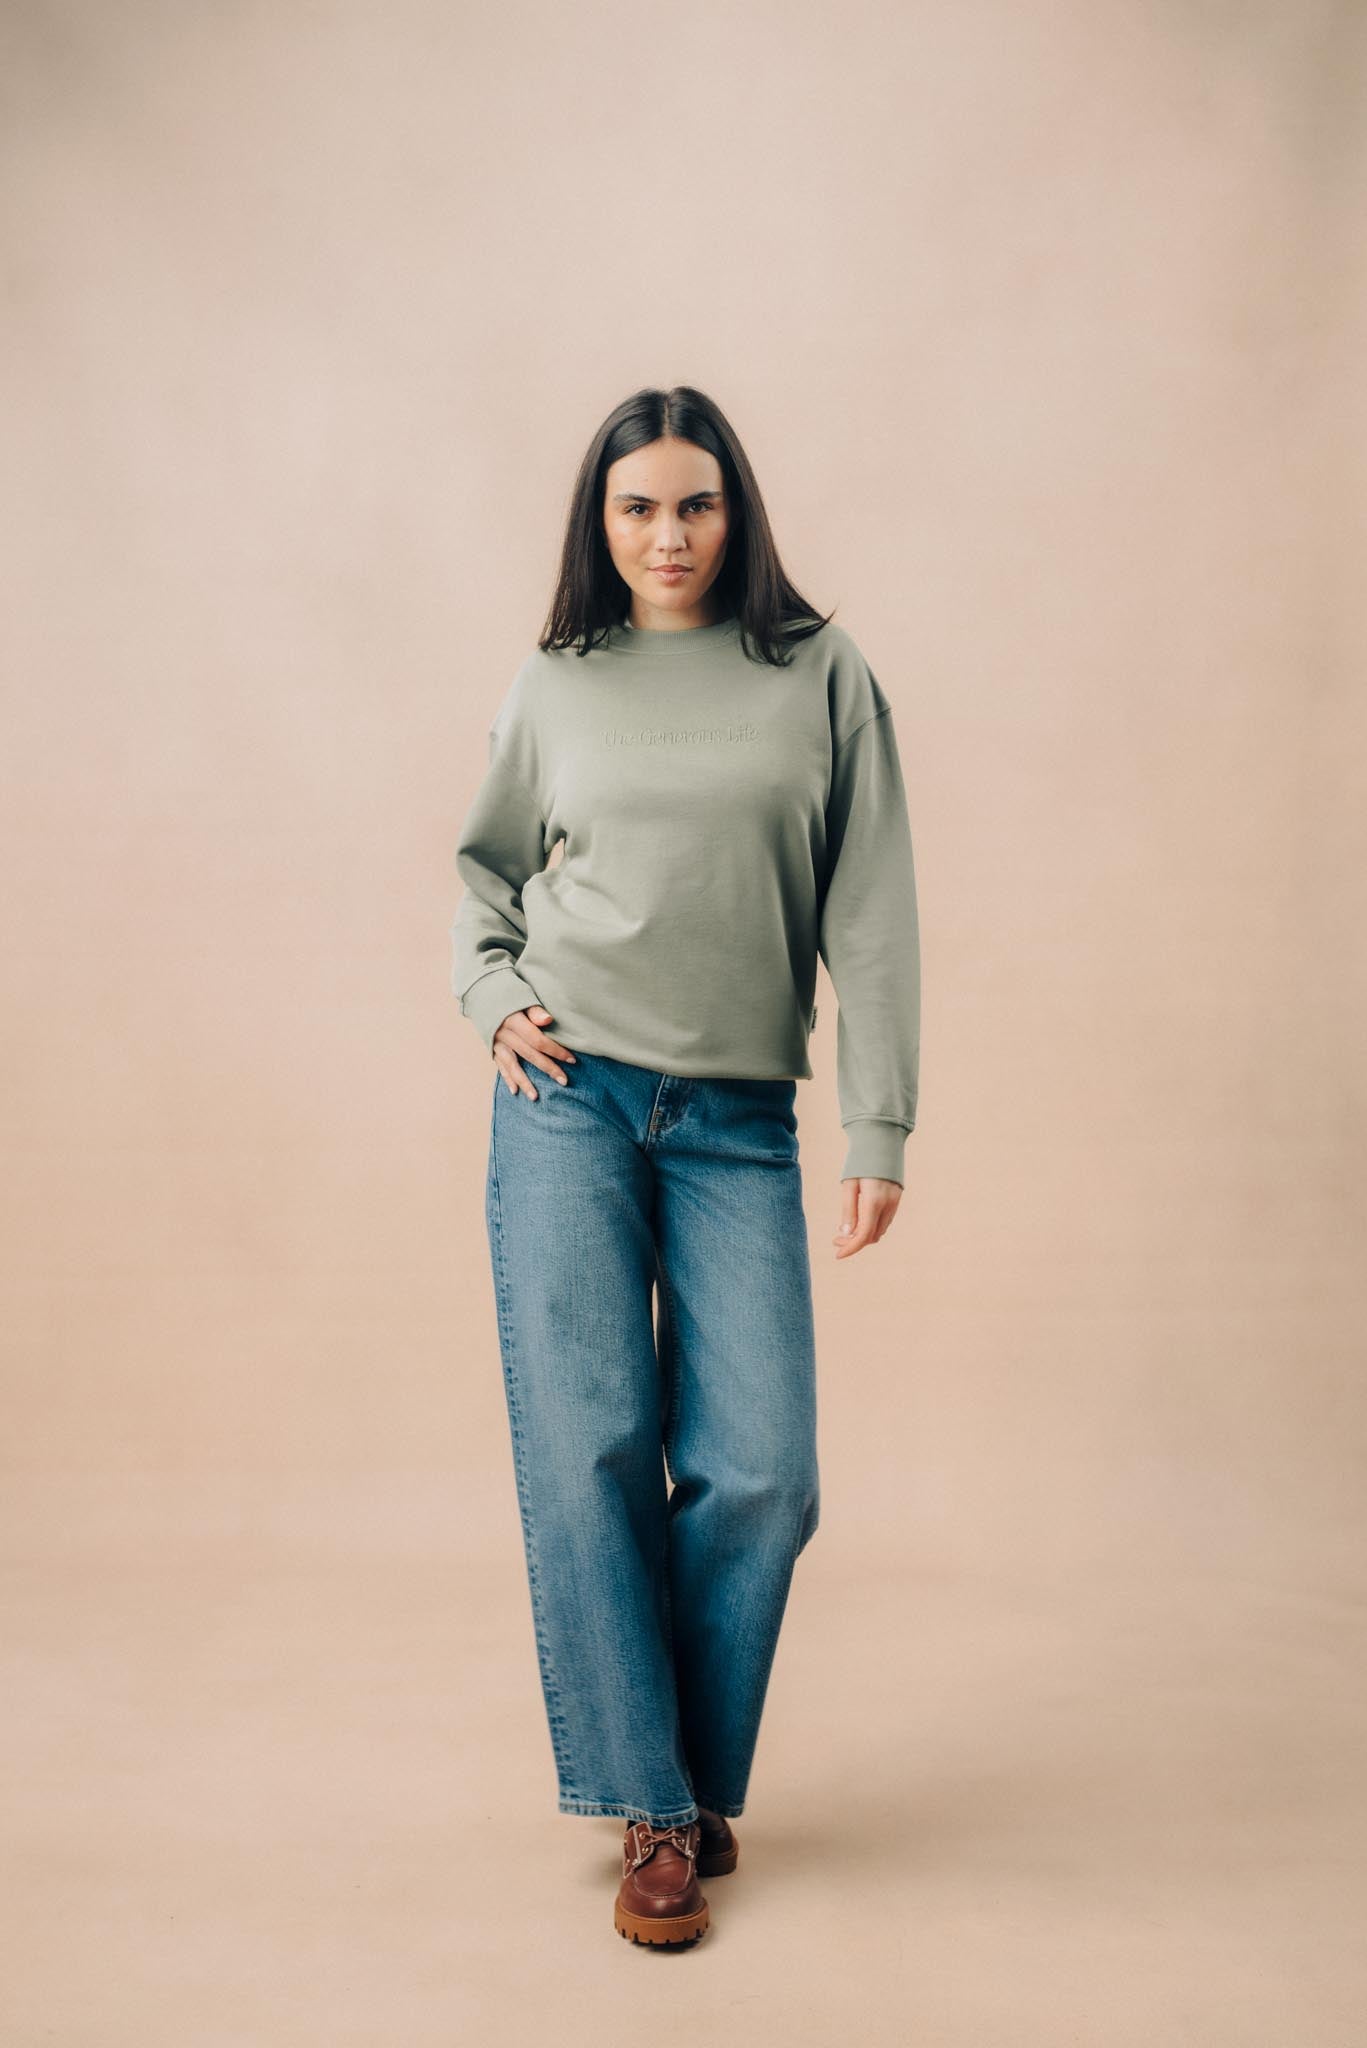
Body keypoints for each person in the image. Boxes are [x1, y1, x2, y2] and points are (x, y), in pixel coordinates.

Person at [450, 385, 921, 1946]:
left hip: (735, 1120)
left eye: (696, 504)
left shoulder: (820, 673)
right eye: (638, 507)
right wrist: (492, 1000)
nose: (668, 535)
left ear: (739, 513)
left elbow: (871, 907)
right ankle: (656, 1807)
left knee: (765, 1472)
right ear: (602, 522)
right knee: (589, 1448)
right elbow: (484, 878)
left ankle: (685, 1774)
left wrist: (878, 1121)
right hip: (567, 1098)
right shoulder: (558, 680)